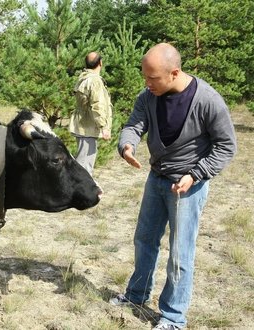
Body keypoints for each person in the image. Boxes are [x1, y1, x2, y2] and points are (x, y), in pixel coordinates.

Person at [111, 43, 237, 330]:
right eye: (144, 76)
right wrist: (127, 144)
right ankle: (136, 295)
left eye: (152, 78)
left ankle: (173, 317)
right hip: (156, 179)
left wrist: (196, 174)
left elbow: (226, 146)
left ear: (174, 73)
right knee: (144, 240)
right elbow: (134, 124)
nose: (146, 83)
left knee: (180, 254)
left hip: (187, 186)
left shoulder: (208, 100)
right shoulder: (148, 95)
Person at [69, 52, 112, 175]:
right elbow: (97, 105)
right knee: (84, 167)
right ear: (100, 63)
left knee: (83, 164)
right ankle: (79, 193)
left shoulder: (83, 77)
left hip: (83, 125)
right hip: (88, 127)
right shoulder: (95, 81)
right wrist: (103, 126)